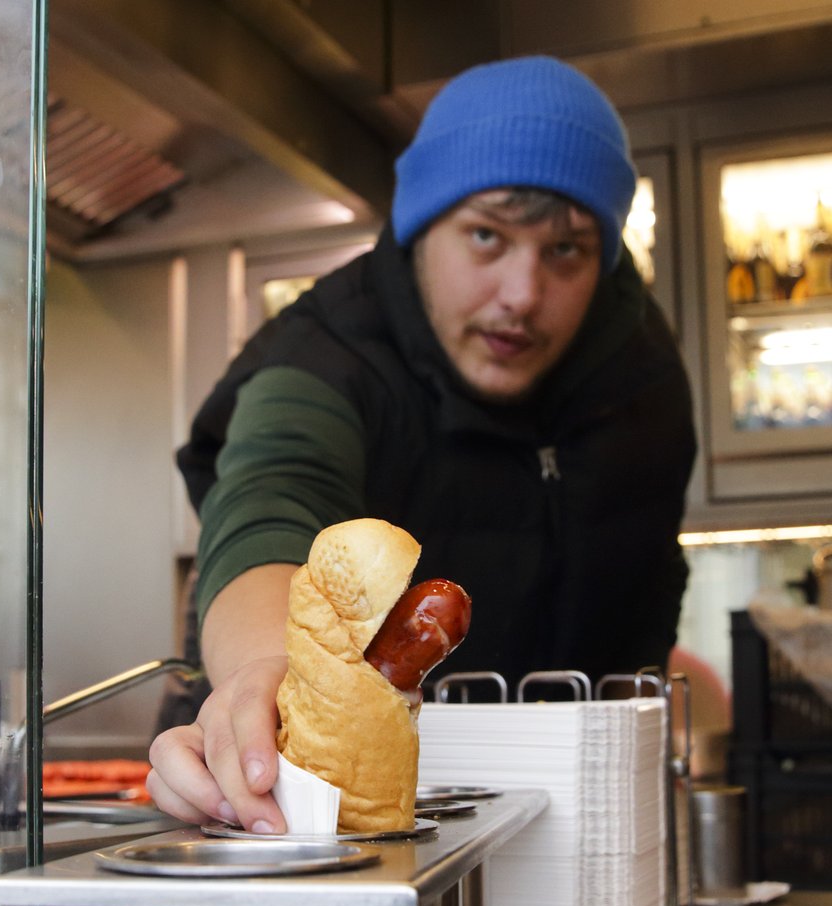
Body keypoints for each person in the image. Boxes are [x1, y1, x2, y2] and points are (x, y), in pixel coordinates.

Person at [147, 56, 697, 834]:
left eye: (566, 250)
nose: (522, 294)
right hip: (314, 797)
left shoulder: (641, 373)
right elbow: (269, 502)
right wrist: (267, 671)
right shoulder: (327, 348)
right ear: (419, 227)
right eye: (485, 235)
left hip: (566, 809)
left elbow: (647, 569)